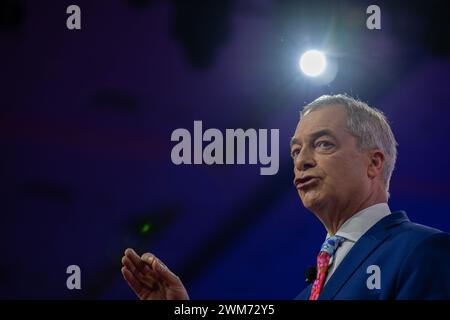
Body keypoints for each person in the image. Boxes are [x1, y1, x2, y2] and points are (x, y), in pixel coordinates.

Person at [121, 94, 450, 300]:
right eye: (295, 150)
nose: (301, 160)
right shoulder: (307, 294)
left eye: (323, 144)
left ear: (373, 162)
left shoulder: (420, 253)